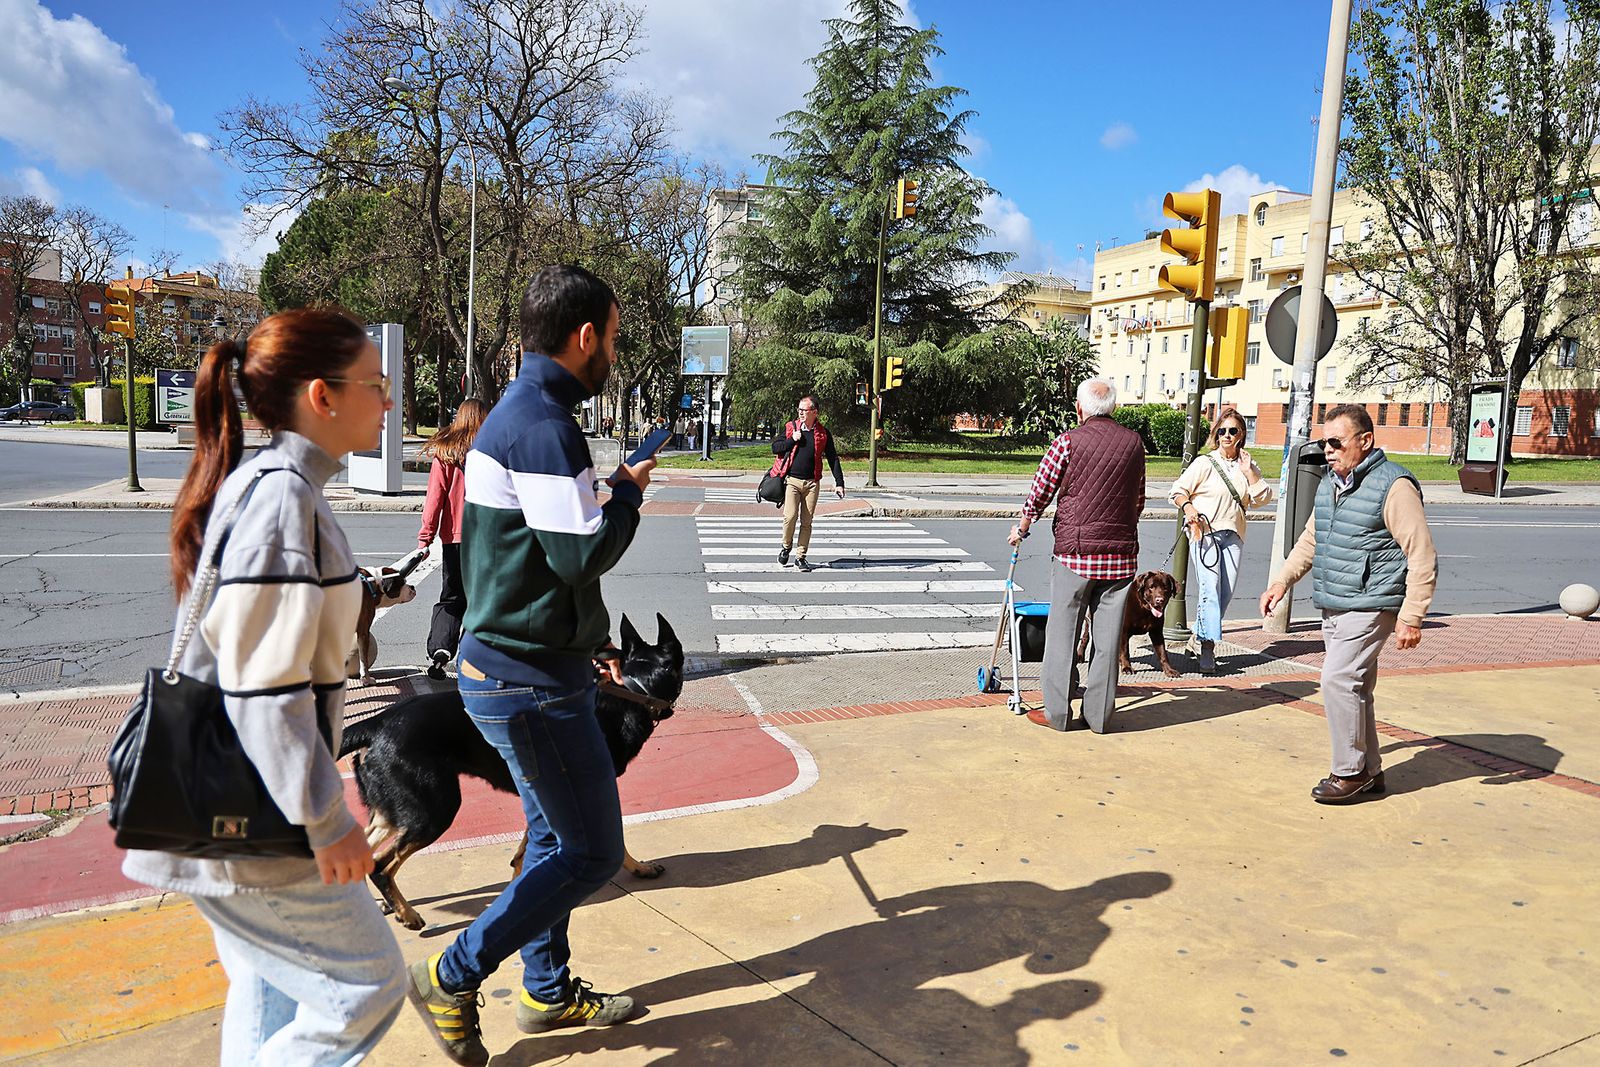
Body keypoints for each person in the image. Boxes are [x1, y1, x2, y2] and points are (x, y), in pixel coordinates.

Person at [123, 308, 405, 1064]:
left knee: (269, 986)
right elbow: (264, 690)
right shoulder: (281, 497)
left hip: (235, 811)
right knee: (370, 985)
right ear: (323, 395)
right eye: (375, 385)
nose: (388, 402)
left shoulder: (277, 486)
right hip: (255, 821)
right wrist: (326, 818)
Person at [405, 265, 651, 1067]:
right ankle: (454, 970)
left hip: (527, 668)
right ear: (584, 338)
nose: (614, 351)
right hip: (529, 683)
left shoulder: (519, 415)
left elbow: (538, 554)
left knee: (553, 839)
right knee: (591, 852)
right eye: (612, 338)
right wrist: (628, 499)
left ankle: (545, 987)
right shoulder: (543, 423)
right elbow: (581, 554)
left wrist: (605, 495)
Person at [1260, 403, 1437, 803]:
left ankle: (1349, 772)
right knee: (1357, 688)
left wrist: (1411, 617)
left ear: (1366, 441)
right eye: (1325, 443)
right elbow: (1311, 539)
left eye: (1337, 442)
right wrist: (1281, 581)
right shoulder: (1331, 482)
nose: (1329, 450)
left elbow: (1422, 554)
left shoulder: (1393, 486)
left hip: (1372, 602)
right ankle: (1371, 770)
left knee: (1337, 680)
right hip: (1336, 600)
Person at [1009, 378, 1145, 734]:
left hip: (1075, 554)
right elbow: (1138, 500)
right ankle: (1099, 717)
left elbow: (1041, 491)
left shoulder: (1067, 442)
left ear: (1080, 408)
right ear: (1113, 407)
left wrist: (1022, 527)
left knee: (1062, 636)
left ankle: (1057, 713)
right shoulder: (1134, 444)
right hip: (1120, 558)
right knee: (1107, 640)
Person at [1167, 408, 1274, 673]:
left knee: (1224, 594)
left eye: (1233, 431)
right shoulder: (1205, 463)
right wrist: (1190, 509)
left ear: (1241, 435)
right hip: (1204, 533)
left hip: (1234, 535)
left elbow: (1263, 499)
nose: (1227, 436)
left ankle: (1198, 636)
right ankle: (1208, 650)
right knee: (1210, 589)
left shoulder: (1248, 465)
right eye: (1223, 431)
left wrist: (1250, 473)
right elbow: (1177, 491)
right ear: (1217, 434)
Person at [417, 398, 487, 679]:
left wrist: (426, 537)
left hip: (454, 539)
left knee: (451, 597)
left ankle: (440, 653)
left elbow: (435, 498)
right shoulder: (491, 451)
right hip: (486, 538)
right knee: (480, 600)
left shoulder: (445, 452)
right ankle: (472, 661)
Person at [771, 395, 845, 572]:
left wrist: (839, 482)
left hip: (812, 483)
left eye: (804, 410)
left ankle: (800, 557)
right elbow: (776, 447)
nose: (801, 413)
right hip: (792, 482)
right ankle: (786, 546)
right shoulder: (792, 427)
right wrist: (792, 440)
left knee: (807, 521)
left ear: (814, 412)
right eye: (799, 410)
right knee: (789, 517)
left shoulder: (823, 433)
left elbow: (833, 458)